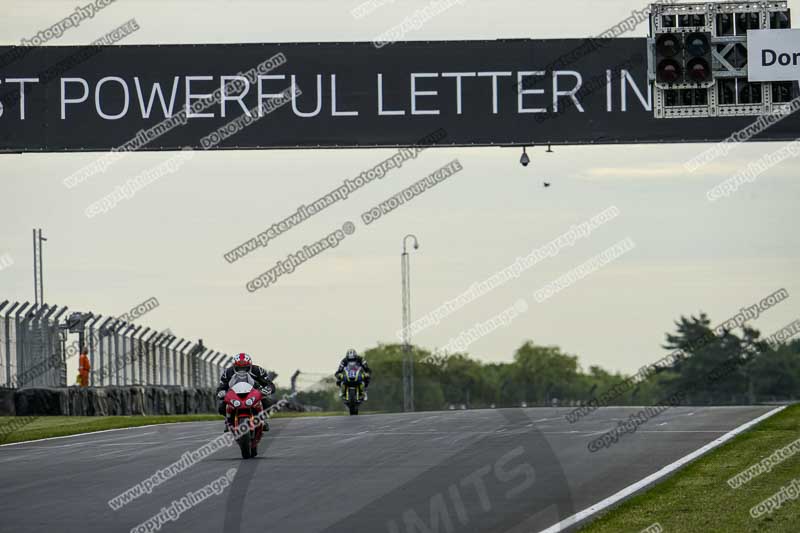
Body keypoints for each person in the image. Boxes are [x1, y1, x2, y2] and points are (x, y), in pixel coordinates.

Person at [216, 353, 275, 432]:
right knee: (222, 407)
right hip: (235, 394)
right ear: (234, 366)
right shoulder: (228, 372)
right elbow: (221, 386)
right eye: (239, 368)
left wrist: (268, 389)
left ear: (250, 366)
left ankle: (262, 420)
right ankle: (228, 421)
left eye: (244, 368)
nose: (242, 371)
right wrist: (221, 392)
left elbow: (269, 384)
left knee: (267, 403)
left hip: (254, 393)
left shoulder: (258, 370)